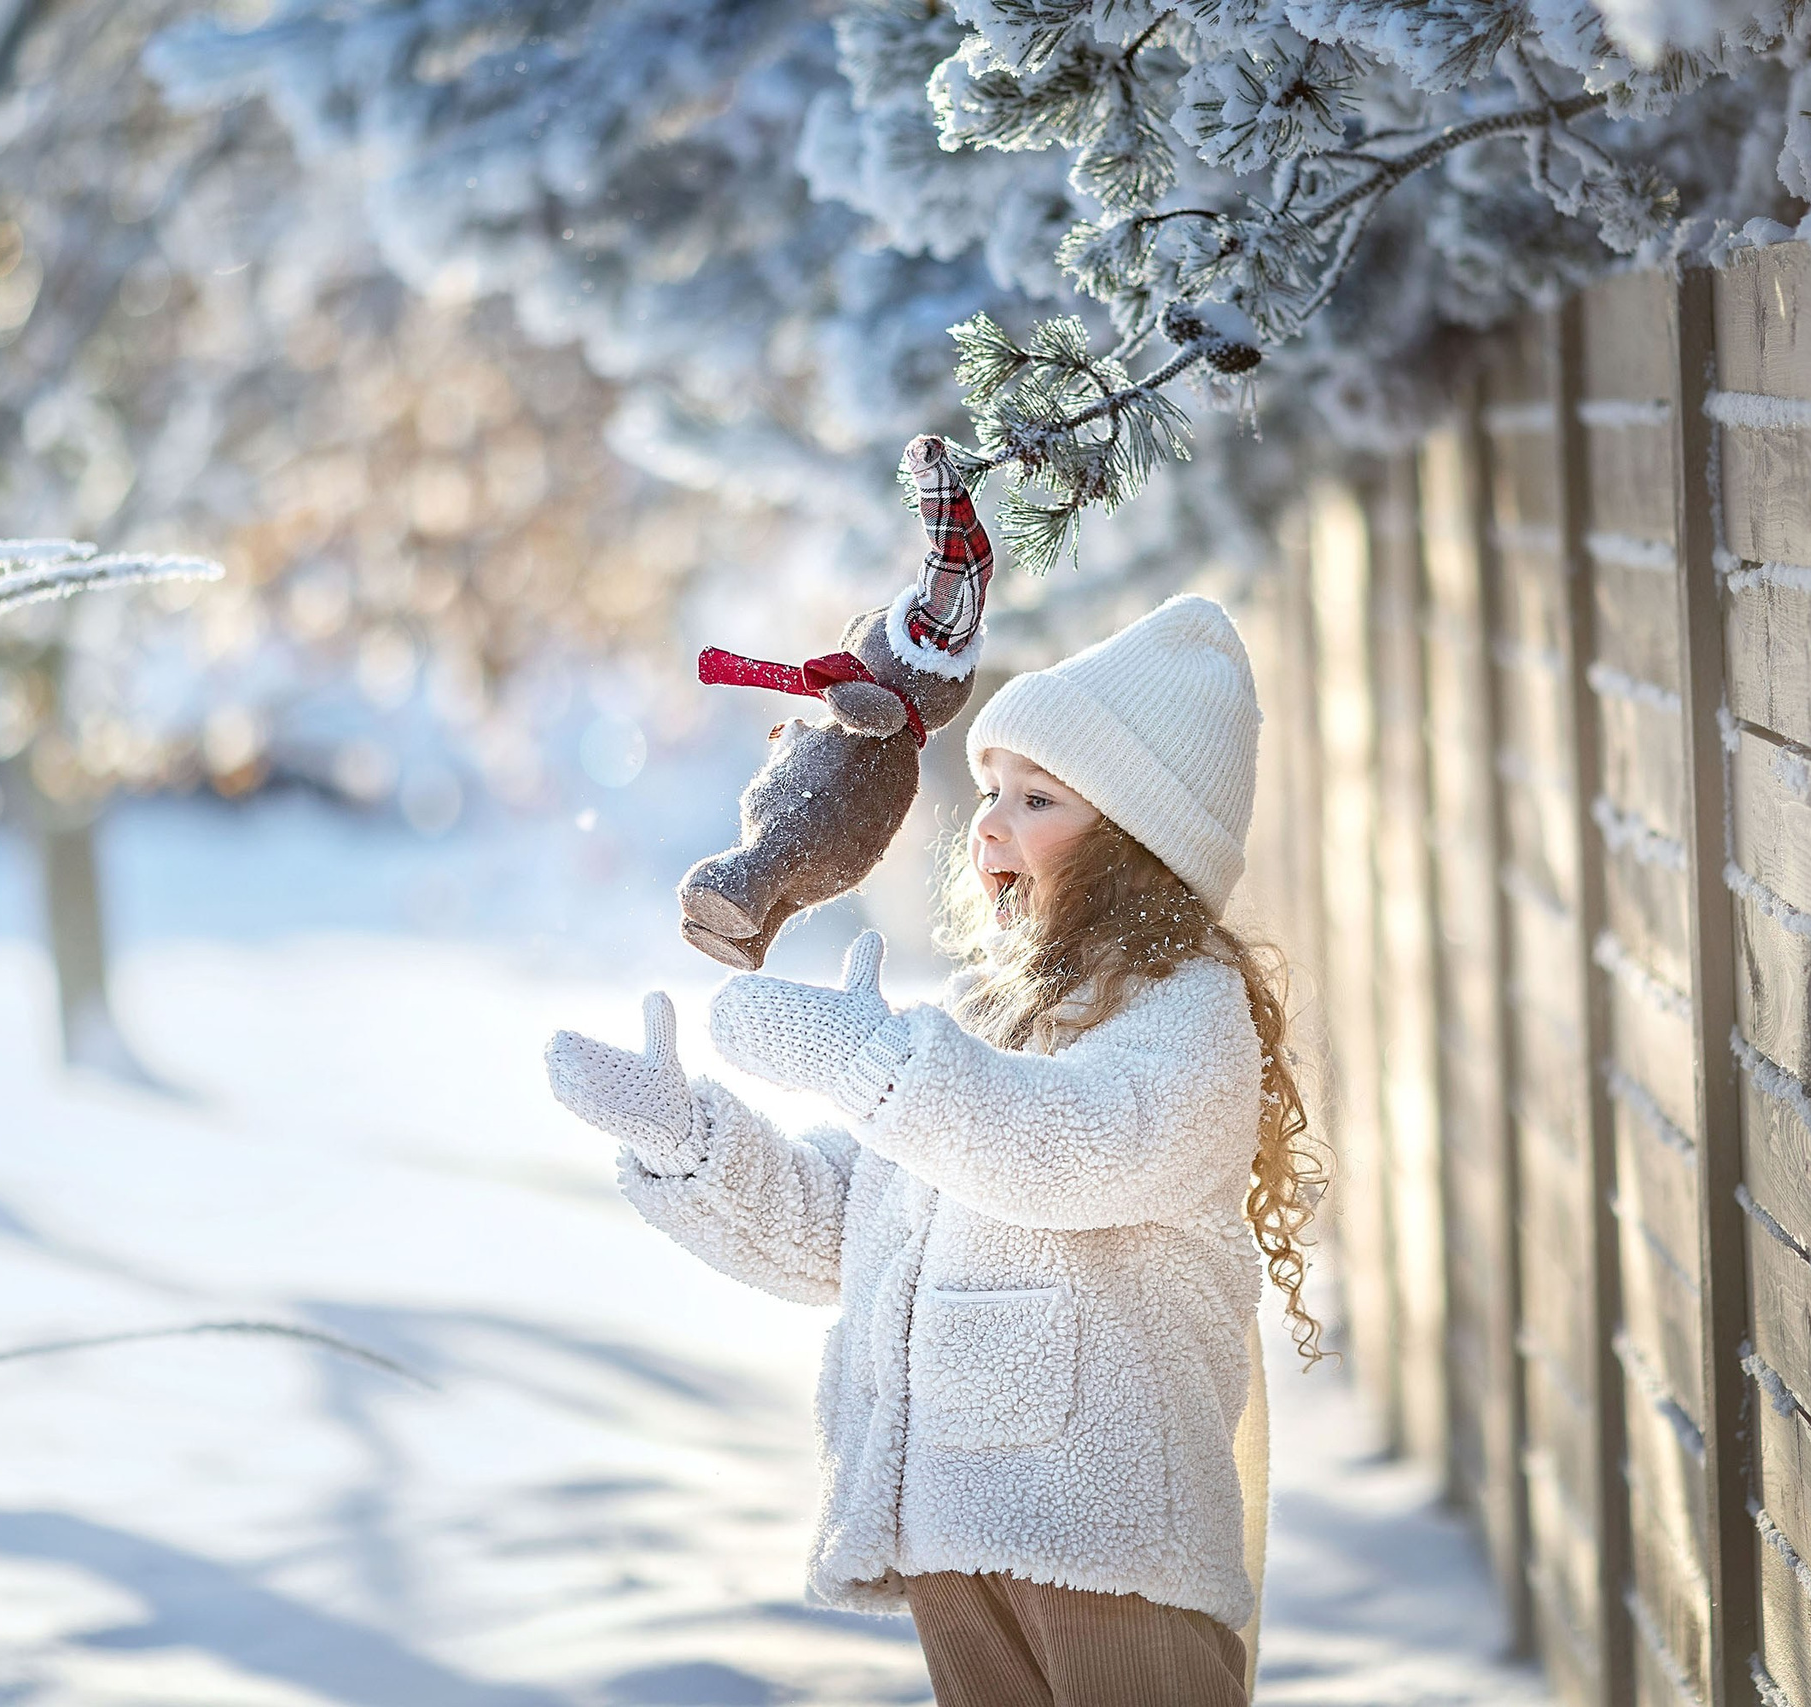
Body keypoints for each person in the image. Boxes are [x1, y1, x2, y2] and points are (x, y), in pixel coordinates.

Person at [544, 594, 1323, 1707]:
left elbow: (1065, 1149)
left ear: (1137, 844)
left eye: (1037, 799)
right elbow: (847, 1230)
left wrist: (870, 1060)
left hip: (1106, 1531)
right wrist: (692, 1144)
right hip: (954, 1525)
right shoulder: (990, 1019)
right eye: (992, 791)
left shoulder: (1184, 1020)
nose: (988, 824)